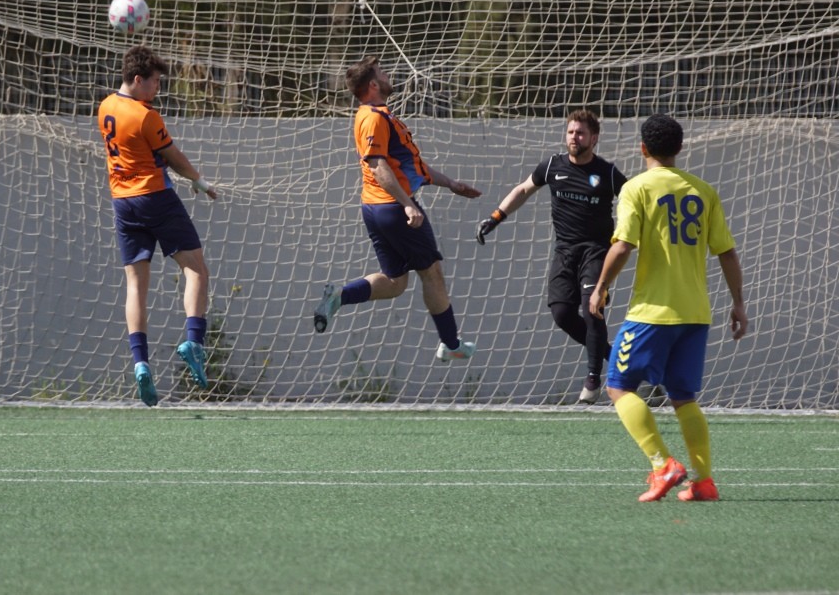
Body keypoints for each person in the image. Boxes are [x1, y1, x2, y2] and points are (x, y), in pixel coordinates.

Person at [589, 113, 747, 502]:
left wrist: (600, 287)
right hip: (695, 314)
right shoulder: (704, 191)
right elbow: (727, 252)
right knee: (684, 397)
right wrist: (739, 303)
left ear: (642, 148)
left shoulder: (636, 188)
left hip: (652, 312)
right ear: (679, 148)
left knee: (618, 386)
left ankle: (663, 466)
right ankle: (704, 481)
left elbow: (622, 246)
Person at [313, 55, 481, 361]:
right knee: (432, 273)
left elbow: (410, 166)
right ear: (373, 84)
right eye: (382, 72)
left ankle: (340, 296)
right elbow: (377, 166)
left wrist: (450, 183)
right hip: (393, 207)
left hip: (377, 208)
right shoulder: (373, 118)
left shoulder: (378, 115)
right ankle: (450, 343)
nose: (388, 75)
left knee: (394, 283)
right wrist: (407, 205)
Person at [476, 110, 627, 404]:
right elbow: (523, 189)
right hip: (565, 251)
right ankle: (609, 354)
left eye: (580, 133)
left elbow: (632, 197)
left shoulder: (607, 173)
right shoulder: (552, 166)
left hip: (597, 252)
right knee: (561, 313)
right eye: (570, 132)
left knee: (592, 309)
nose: (574, 137)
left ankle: (593, 379)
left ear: (594, 139)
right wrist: (495, 218)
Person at [97, 45, 217, 406]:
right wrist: (199, 181)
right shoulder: (145, 116)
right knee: (196, 270)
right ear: (138, 79)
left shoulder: (105, 106)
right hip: (154, 198)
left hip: (122, 203)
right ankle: (194, 342)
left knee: (135, 285)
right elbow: (173, 157)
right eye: (154, 82)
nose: (157, 88)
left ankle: (140, 364)